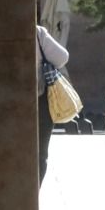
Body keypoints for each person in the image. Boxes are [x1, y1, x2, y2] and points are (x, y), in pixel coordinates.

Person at [36, 24, 69, 185]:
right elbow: (62, 57)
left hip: (2, 102)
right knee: (40, 153)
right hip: (39, 101)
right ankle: (34, 193)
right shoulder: (37, 32)